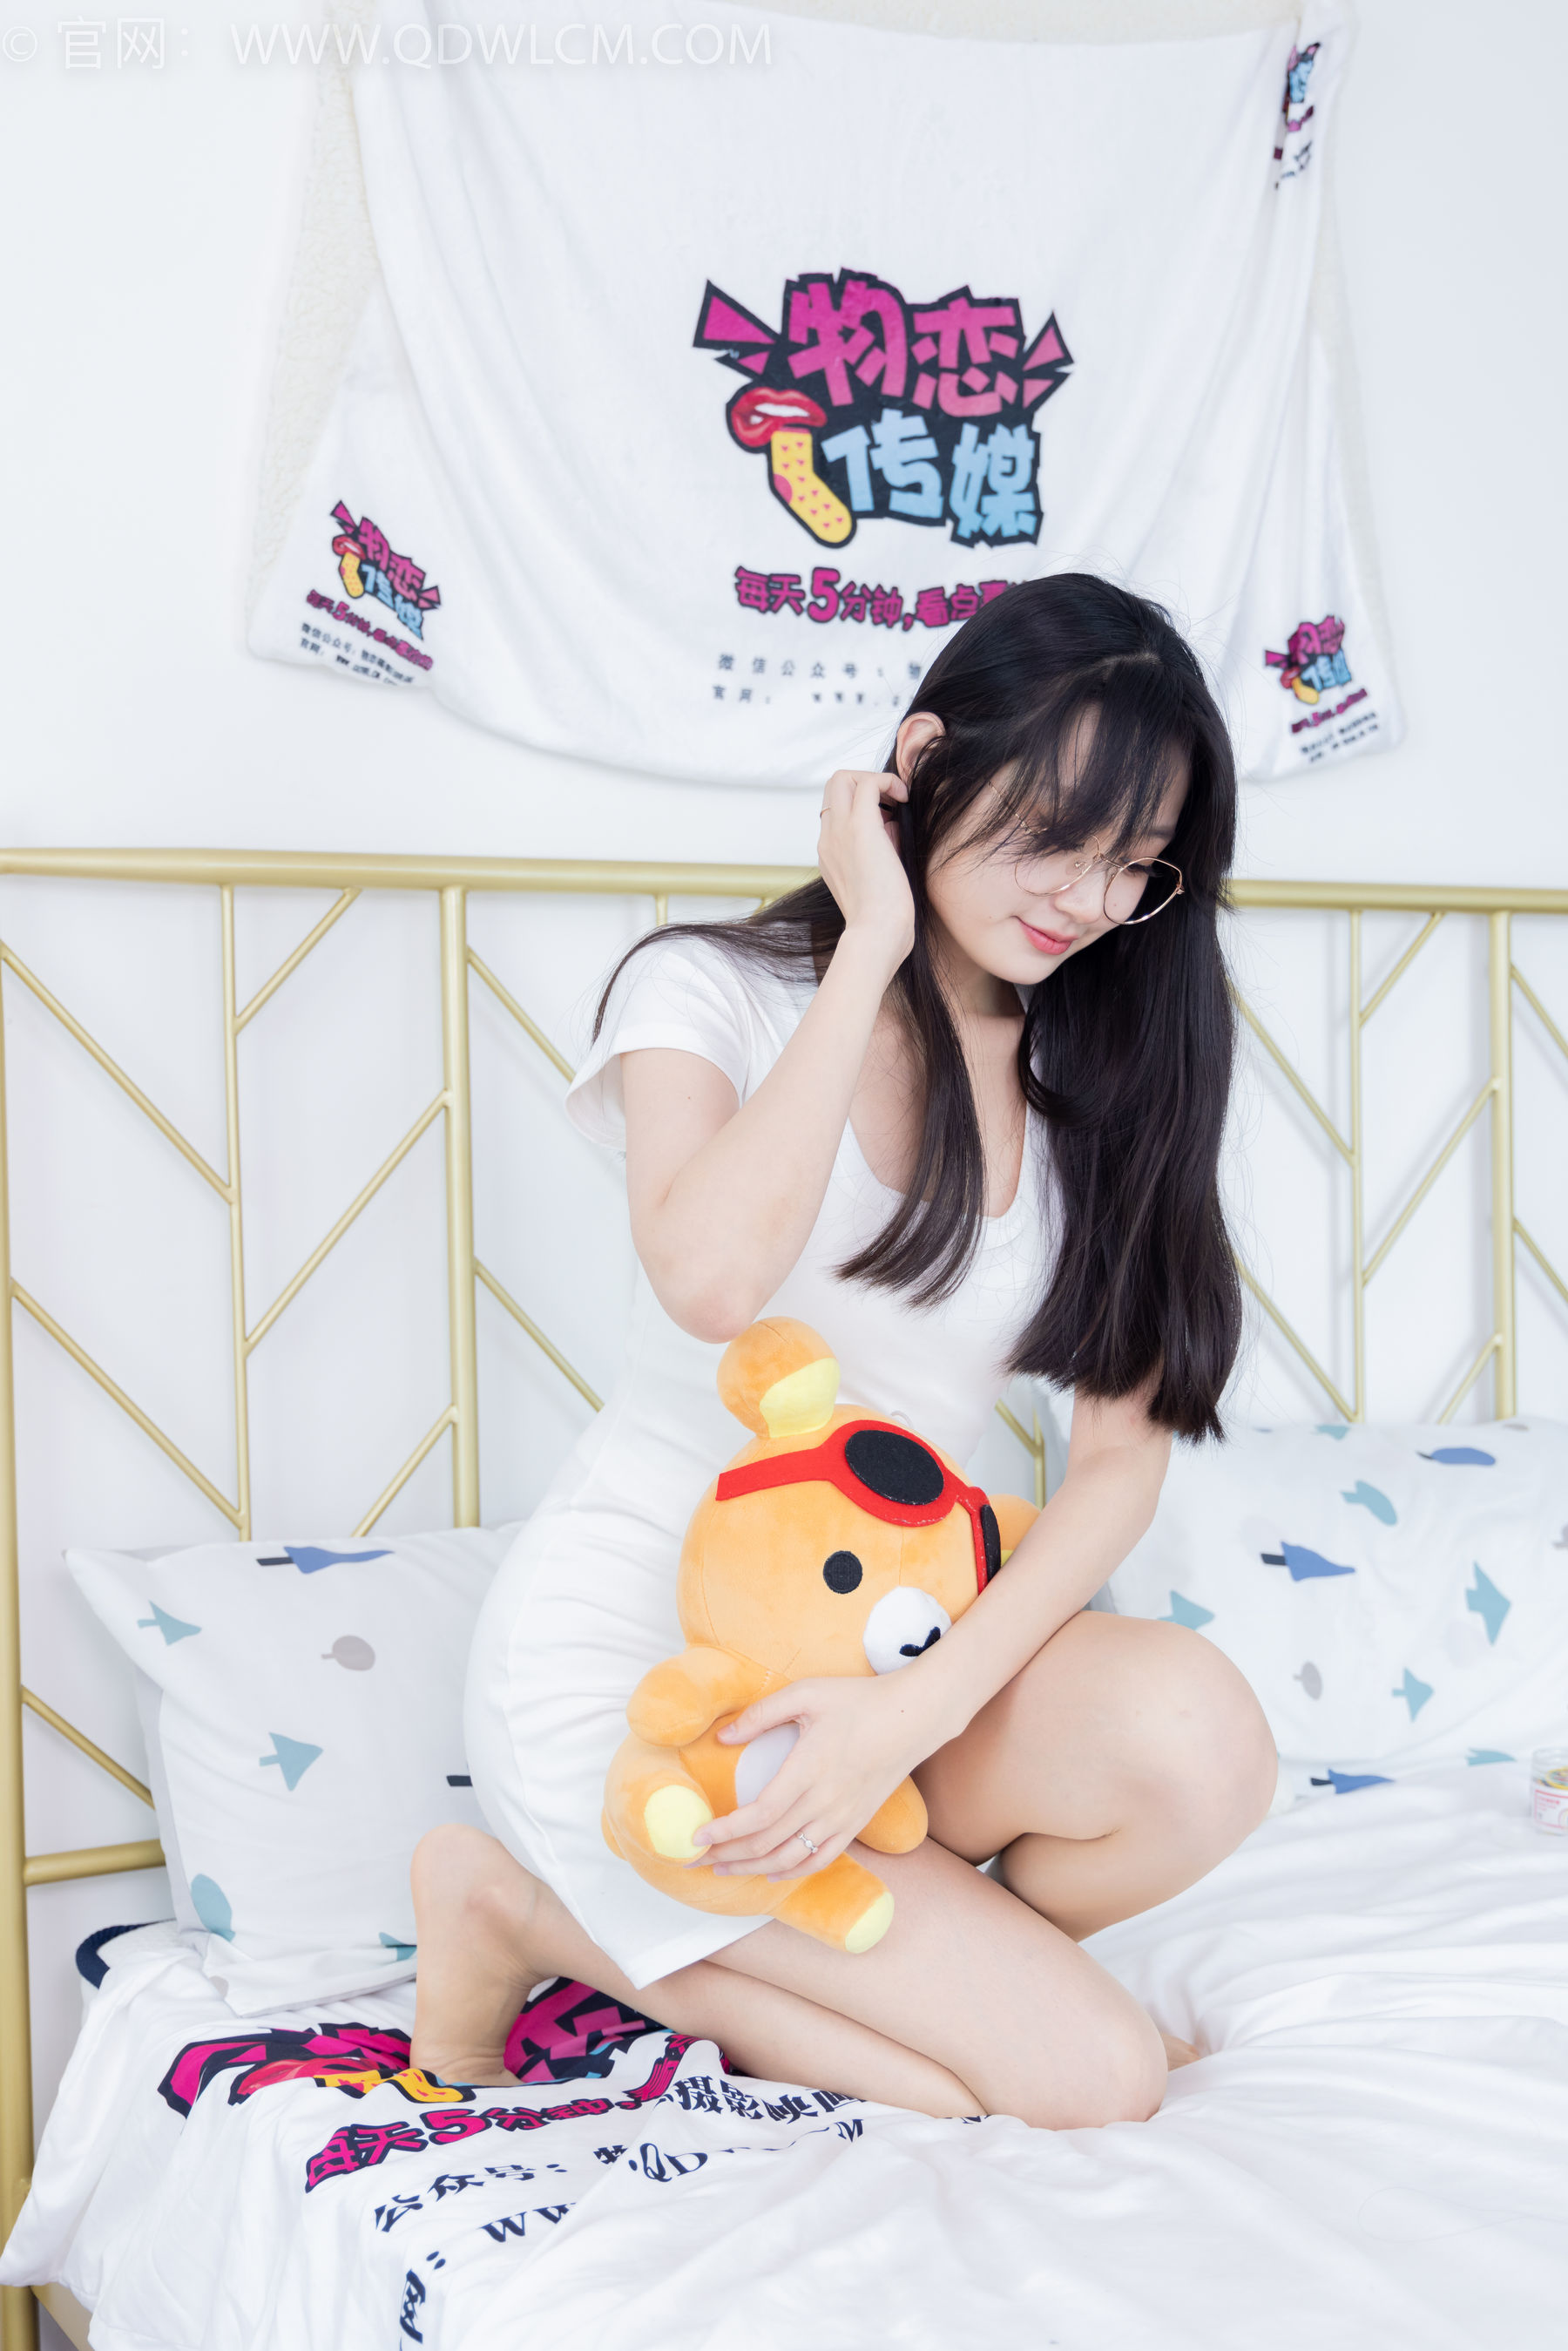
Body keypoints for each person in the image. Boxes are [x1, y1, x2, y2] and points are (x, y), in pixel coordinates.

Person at [410, 574, 1278, 2129]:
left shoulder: (1104, 1078)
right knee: (1092, 2079)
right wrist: (871, 941)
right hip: (656, 1677)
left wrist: (905, 1717)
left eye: (1134, 864)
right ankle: (519, 1909)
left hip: (890, 1670)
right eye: (1053, 833)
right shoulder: (711, 992)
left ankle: (931, 1958)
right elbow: (710, 1280)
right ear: (924, 761)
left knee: (1206, 1743)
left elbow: (1117, 1465)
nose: (1085, 898)